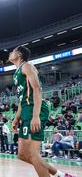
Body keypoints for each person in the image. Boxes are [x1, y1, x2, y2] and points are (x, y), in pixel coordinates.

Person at [9, 46, 73, 177]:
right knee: (22, 154)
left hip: (35, 109)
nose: (10, 53)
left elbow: (37, 89)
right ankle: (61, 175)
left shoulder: (27, 66)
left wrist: (36, 116)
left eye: (13, 51)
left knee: (33, 154)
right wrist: (16, 118)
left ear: (19, 54)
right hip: (26, 109)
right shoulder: (16, 73)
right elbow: (22, 99)